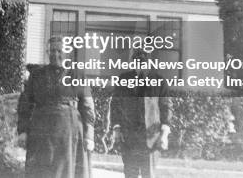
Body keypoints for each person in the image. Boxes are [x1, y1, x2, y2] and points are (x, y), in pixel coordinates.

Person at [17, 36, 95, 178]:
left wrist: (89, 135)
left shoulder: (77, 74)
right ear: (47, 53)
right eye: (52, 51)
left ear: (67, 52)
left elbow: (88, 107)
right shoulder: (37, 75)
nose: (56, 55)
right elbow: (25, 104)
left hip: (69, 133)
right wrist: (23, 130)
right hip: (41, 133)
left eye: (59, 51)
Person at [108, 49, 173, 178]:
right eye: (137, 61)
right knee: (130, 174)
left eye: (144, 61)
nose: (141, 64)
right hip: (129, 138)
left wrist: (164, 134)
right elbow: (115, 105)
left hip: (151, 139)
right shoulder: (123, 79)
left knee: (148, 174)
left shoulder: (159, 81)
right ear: (133, 62)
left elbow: (166, 107)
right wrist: (116, 129)